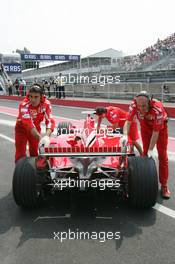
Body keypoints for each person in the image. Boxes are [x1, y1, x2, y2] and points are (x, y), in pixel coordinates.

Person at [123, 91, 170, 199]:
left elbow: (156, 132)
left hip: (160, 130)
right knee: (144, 154)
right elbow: (128, 122)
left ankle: (164, 185)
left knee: (162, 156)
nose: (141, 109)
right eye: (139, 106)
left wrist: (151, 149)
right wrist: (125, 135)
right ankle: (144, 180)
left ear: (149, 102)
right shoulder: (133, 105)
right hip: (145, 128)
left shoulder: (158, 109)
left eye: (144, 106)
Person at [15, 84, 55, 163]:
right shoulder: (23, 104)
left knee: (34, 152)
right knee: (20, 154)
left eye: (36, 97)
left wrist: (46, 136)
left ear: (41, 97)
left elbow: (50, 120)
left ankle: (34, 172)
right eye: (31, 96)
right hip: (21, 129)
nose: (33, 100)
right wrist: (40, 138)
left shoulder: (46, 104)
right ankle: (20, 170)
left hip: (36, 128)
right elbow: (28, 123)